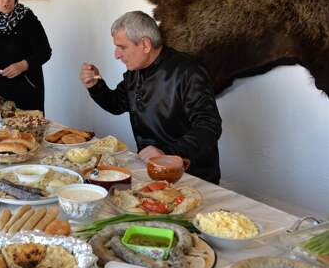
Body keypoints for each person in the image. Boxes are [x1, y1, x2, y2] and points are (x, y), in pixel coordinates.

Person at [80, 11, 222, 184]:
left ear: (145, 45)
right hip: (151, 170)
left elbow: (209, 126)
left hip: (191, 175)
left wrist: (167, 152)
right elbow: (117, 104)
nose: (116, 55)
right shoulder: (135, 72)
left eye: (122, 47)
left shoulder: (189, 71)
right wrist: (96, 85)